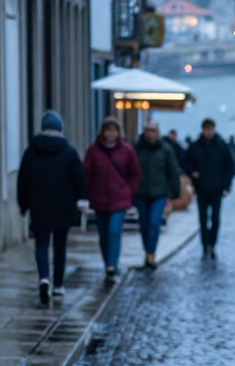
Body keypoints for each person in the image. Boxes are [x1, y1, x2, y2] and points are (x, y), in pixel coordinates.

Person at [17, 110, 85, 304]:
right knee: (60, 246)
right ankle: (58, 285)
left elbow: (23, 179)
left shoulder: (31, 151)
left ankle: (44, 278)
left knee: (41, 244)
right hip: (63, 206)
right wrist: (81, 200)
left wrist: (23, 203)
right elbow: (79, 179)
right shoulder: (69, 152)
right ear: (60, 129)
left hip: (39, 205)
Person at [83, 116, 140, 281]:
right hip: (100, 198)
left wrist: (129, 191)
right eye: (108, 130)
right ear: (103, 132)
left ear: (118, 132)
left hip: (119, 198)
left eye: (113, 130)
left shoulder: (126, 151)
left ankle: (112, 265)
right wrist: (87, 194)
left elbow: (134, 173)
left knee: (114, 231)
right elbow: (87, 174)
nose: (110, 134)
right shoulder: (93, 151)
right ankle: (107, 261)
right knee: (103, 234)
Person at [185, 118, 235, 260]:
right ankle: (204, 244)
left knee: (215, 219)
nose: (209, 132)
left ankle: (212, 244)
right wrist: (192, 173)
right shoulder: (195, 147)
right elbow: (186, 162)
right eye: (207, 129)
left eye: (211, 129)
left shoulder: (222, 146)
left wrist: (226, 186)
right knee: (202, 219)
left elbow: (230, 166)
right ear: (203, 130)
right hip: (201, 188)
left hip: (217, 189)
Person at [134, 120, 181, 269]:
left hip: (159, 193)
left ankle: (151, 254)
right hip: (140, 193)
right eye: (148, 130)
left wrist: (174, 192)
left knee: (154, 223)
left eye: (153, 130)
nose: (150, 133)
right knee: (144, 224)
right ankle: (147, 251)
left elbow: (173, 171)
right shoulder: (136, 148)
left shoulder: (165, 150)